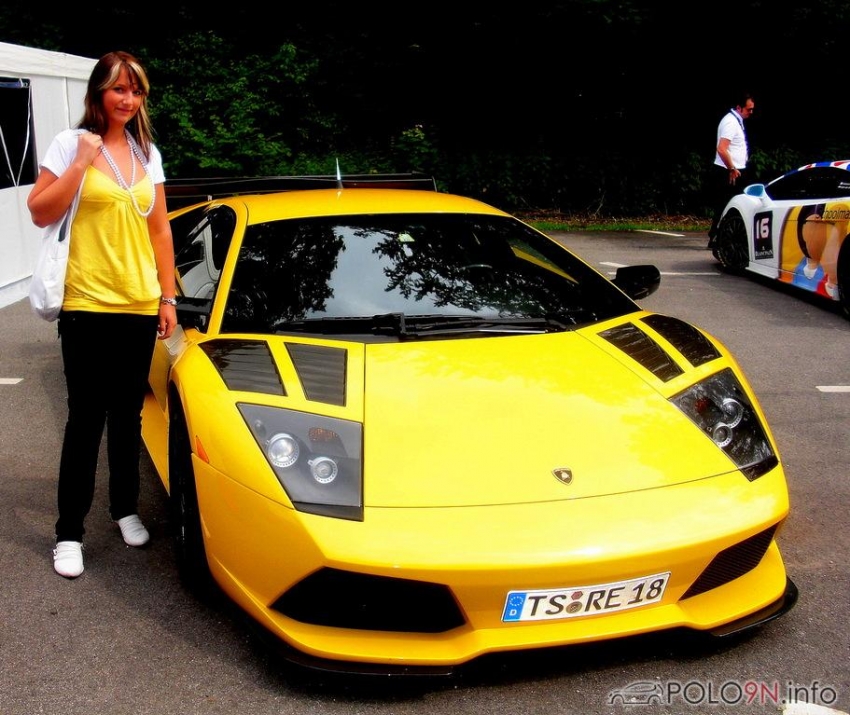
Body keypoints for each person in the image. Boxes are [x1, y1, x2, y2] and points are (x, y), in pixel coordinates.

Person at [27, 51, 177, 579]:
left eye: (135, 90)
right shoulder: (72, 143)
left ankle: (124, 508)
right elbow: (40, 210)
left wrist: (167, 298)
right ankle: (69, 532)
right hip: (86, 303)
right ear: (98, 93)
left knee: (127, 416)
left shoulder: (147, 152)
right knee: (85, 419)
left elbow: (160, 230)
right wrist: (80, 163)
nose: (127, 99)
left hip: (138, 304)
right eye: (117, 89)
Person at [707, 92, 755, 247]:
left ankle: (719, 237)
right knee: (727, 205)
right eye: (749, 109)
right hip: (728, 171)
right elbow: (722, 149)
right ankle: (716, 237)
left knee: (729, 205)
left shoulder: (736, 121)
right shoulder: (730, 122)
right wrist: (732, 168)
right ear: (739, 107)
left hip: (734, 169)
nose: (751, 112)